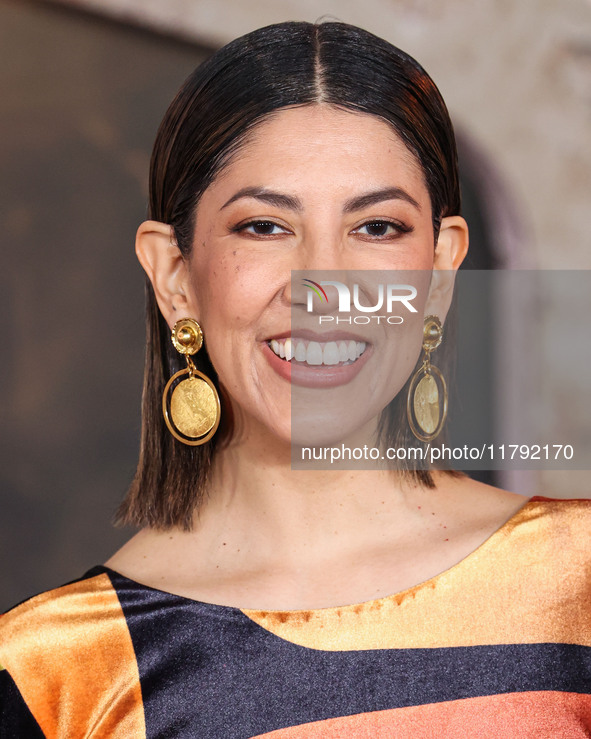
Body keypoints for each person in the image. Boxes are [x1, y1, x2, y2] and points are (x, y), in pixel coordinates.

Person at [1, 20, 590, 738]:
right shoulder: (54, 673)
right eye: (264, 227)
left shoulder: (577, 581)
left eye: (376, 228)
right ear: (174, 275)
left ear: (439, 274)